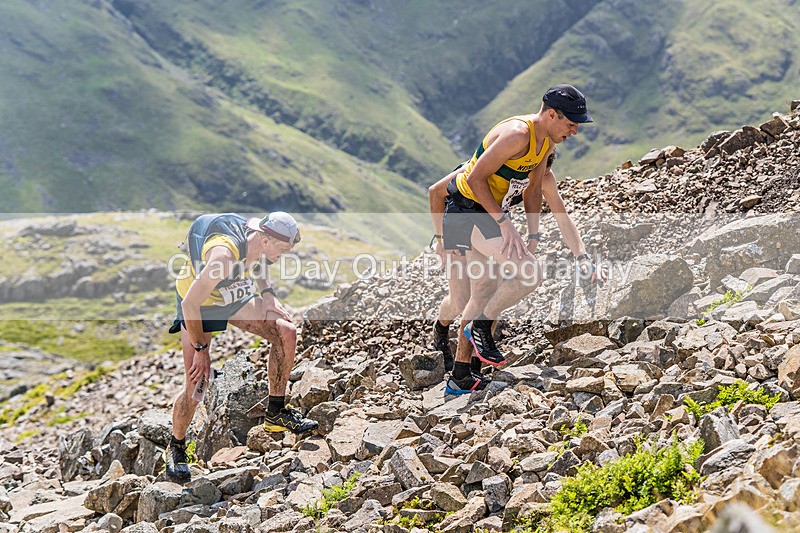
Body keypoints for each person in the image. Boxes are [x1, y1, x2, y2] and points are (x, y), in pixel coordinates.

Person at [435, 84, 604, 395]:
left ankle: (460, 376)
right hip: (465, 211)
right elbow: (473, 179)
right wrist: (503, 222)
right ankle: (479, 327)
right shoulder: (516, 134)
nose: (575, 132)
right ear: (552, 115)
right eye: (570, 124)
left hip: (484, 214)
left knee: (486, 287)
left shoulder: (545, 144)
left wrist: (533, 234)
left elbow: (533, 191)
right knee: (529, 273)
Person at [165, 211, 318, 482]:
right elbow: (190, 303)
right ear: (266, 238)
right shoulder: (222, 257)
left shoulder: (259, 241)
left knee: (286, 332)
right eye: (282, 249)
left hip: (231, 293)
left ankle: (276, 411)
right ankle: (176, 447)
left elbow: (259, 262)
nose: (283, 256)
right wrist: (202, 350)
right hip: (200, 304)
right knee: (197, 383)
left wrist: (268, 295)